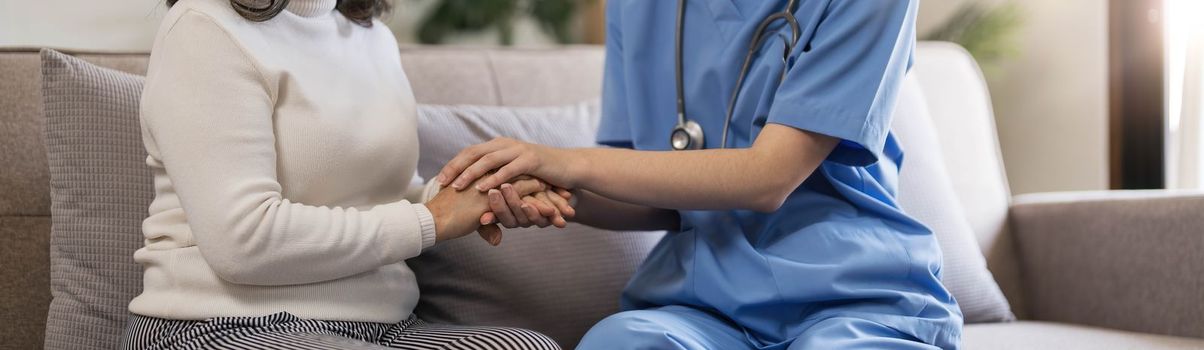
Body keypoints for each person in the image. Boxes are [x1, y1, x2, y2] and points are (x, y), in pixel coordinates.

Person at [437, 0, 963, 349]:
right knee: (618, 342)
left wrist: (568, 160)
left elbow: (767, 178)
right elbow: (653, 196)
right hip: (706, 304)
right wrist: (545, 190)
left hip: (852, 293)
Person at [121, 0, 570, 349]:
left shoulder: (370, 35)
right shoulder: (204, 26)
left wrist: (475, 194)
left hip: (380, 326)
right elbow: (242, 242)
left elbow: (386, 197)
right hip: (215, 324)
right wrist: (434, 219)